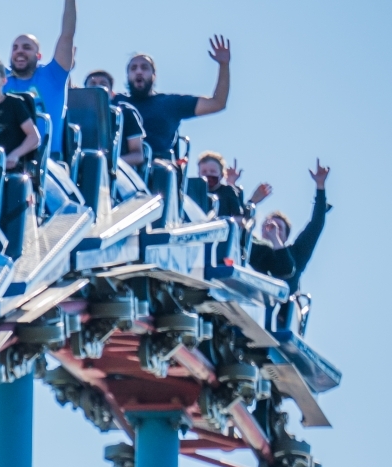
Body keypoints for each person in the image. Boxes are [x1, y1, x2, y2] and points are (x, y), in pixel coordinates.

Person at [0, 0, 77, 158]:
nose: (19, 51)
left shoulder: (53, 75)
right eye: (15, 48)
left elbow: (67, 35)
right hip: (5, 159)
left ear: (38, 55)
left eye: (27, 47)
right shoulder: (1, 78)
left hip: (48, 160)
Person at [123, 38, 232, 162]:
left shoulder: (170, 104)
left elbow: (217, 103)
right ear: (127, 75)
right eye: (133, 68)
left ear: (154, 75)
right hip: (120, 166)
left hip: (158, 168)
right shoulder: (118, 103)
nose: (139, 71)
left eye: (144, 68)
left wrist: (224, 65)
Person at [250, 162, 331, 294]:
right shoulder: (254, 246)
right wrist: (252, 201)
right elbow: (237, 225)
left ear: (286, 236)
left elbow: (316, 225)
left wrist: (320, 185)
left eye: (278, 228)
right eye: (268, 225)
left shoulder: (297, 253)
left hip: (282, 300)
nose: (272, 229)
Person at [83, 70, 146, 169]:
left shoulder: (125, 112)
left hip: (116, 170)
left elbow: (138, 155)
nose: (98, 87)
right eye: (93, 84)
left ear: (112, 94)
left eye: (103, 84)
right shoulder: (74, 114)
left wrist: (110, 163)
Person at [186, 151, 261, 220]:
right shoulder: (191, 192)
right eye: (204, 172)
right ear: (198, 174)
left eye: (212, 171)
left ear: (222, 175)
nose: (208, 174)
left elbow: (238, 219)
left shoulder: (228, 191)